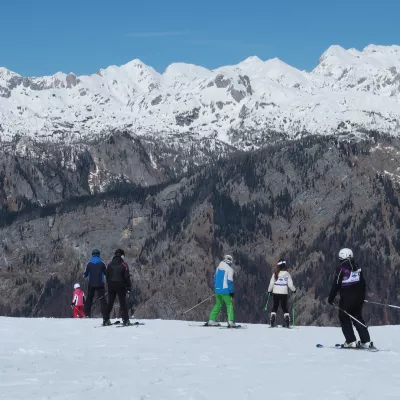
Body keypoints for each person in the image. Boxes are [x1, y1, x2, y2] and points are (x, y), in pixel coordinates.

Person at [328, 248, 373, 349]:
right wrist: (362, 297)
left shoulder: (340, 269)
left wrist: (330, 299)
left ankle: (351, 341)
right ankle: (366, 341)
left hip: (346, 299)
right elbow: (363, 283)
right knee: (357, 317)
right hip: (358, 298)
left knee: (344, 317)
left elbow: (336, 285)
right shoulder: (357, 267)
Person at [103, 249, 132, 326]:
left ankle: (105, 319)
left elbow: (107, 274)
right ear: (122, 255)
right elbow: (127, 277)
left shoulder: (110, 264)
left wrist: (109, 283)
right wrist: (128, 287)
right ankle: (125, 320)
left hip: (111, 285)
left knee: (110, 302)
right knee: (122, 303)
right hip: (121, 285)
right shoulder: (124, 264)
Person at [206, 255, 236, 327]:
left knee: (218, 304)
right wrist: (232, 292)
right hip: (225, 291)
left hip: (217, 290)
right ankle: (230, 321)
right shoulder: (229, 269)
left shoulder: (218, 268)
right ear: (230, 261)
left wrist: (217, 289)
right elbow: (229, 282)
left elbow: (215, 279)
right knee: (229, 305)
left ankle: (211, 320)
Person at [267, 259, 296, 328]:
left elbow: (271, 284)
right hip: (284, 293)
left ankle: (272, 321)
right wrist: (294, 290)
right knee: (284, 307)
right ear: (284, 266)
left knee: (275, 306)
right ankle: (287, 322)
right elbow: (290, 285)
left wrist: (269, 291)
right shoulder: (287, 274)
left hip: (275, 293)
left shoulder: (275, 273)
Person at [82, 249, 108, 320]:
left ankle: (87, 314)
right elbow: (107, 273)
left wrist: (84, 275)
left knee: (89, 299)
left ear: (92, 255)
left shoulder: (89, 263)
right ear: (99, 255)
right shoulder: (102, 263)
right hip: (100, 284)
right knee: (102, 299)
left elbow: (85, 274)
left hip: (91, 284)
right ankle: (105, 314)